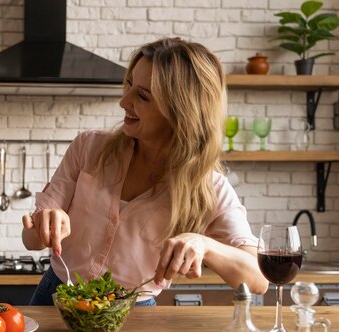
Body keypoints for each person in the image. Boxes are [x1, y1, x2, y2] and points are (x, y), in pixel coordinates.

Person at [22, 37, 268, 306]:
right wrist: (44, 225)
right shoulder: (88, 147)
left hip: (134, 312)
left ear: (181, 112)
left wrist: (204, 244)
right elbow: (31, 241)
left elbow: (258, 279)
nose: (124, 102)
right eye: (128, 85)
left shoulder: (210, 188)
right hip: (57, 294)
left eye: (142, 96)